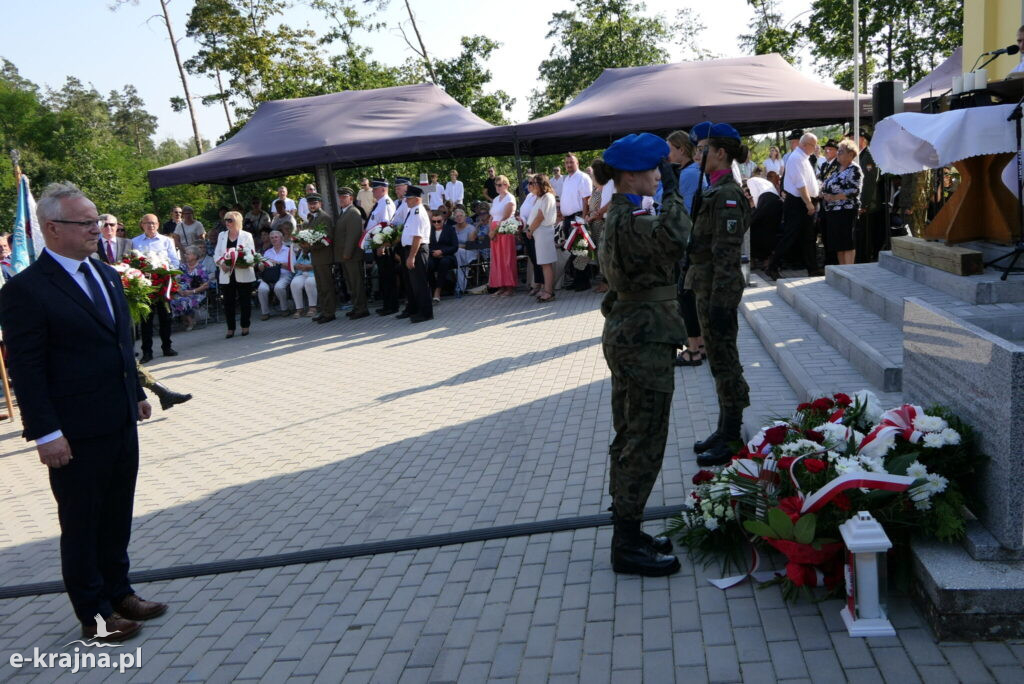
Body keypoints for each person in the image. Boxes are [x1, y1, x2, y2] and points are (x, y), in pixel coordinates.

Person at [0, 181, 166, 643]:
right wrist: (46, 432)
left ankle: (120, 592)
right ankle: (93, 614)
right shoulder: (26, 290)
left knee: (116, 513)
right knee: (82, 522)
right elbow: (27, 370)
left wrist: (135, 392)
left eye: (97, 220)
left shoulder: (107, 274)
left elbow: (118, 345)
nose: (98, 228)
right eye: (86, 222)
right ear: (52, 229)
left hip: (117, 420)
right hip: (73, 431)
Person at [599, 133, 689, 577]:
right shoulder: (632, 218)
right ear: (631, 175)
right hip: (642, 337)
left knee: (631, 433)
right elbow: (675, 239)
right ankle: (626, 543)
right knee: (644, 439)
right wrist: (674, 193)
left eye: (662, 169)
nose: (659, 174)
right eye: (655, 169)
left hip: (635, 333)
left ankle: (628, 531)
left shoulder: (625, 213)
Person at [686, 124, 752, 467]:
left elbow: (727, 255)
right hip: (706, 286)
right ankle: (723, 427)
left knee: (726, 363)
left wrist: (722, 303)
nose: (699, 155)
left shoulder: (727, 194)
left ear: (720, 153)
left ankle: (732, 435)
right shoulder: (713, 190)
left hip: (717, 291)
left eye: (702, 149)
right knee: (718, 362)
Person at [766, 132, 821, 279]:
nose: (815, 148)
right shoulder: (796, 158)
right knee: (790, 236)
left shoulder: (802, 157)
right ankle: (772, 266)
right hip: (799, 202)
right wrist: (809, 203)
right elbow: (800, 184)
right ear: (805, 145)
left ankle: (812, 268)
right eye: (813, 145)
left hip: (803, 201)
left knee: (808, 237)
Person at [132, 215, 178, 363]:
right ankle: (147, 351)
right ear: (142, 225)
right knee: (146, 320)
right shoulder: (134, 242)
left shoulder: (166, 241)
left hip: (163, 283)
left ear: (158, 225)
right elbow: (132, 262)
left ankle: (167, 346)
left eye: (153, 223)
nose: (150, 225)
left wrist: (166, 269)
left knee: (166, 317)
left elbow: (174, 261)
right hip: (144, 286)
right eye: (147, 223)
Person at [213, 210, 257, 338]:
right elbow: (217, 254)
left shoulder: (246, 235)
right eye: (226, 220)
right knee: (228, 302)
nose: (227, 222)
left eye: (230, 220)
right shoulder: (222, 235)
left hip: (243, 272)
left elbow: (251, 253)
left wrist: (238, 263)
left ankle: (245, 325)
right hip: (226, 273)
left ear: (237, 221)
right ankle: (230, 328)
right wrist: (222, 264)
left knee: (245, 301)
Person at [821, 139, 863, 266]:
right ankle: (842, 270)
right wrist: (823, 193)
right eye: (838, 151)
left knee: (847, 242)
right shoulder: (836, 169)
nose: (838, 154)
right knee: (838, 243)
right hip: (832, 211)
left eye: (841, 152)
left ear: (850, 154)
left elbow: (854, 190)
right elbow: (826, 184)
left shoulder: (854, 169)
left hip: (846, 210)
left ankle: (849, 270)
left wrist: (834, 197)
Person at [558, 153, 594, 291]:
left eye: (571, 162)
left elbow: (587, 199)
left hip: (578, 217)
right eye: (566, 162)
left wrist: (583, 218)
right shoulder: (566, 179)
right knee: (574, 251)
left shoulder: (583, 177)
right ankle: (577, 279)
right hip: (568, 219)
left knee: (581, 251)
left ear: (577, 163)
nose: (568, 165)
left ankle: (584, 282)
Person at [397, 186, 433, 323]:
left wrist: (411, 256)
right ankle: (419, 311)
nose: (406, 201)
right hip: (413, 250)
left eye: (409, 198)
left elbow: (417, 237)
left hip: (417, 250)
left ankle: (425, 314)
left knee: (420, 284)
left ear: (417, 199)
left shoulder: (418, 212)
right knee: (415, 284)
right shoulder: (413, 211)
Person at [335, 186, 369, 319]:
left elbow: (353, 235)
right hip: (346, 255)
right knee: (350, 283)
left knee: (356, 282)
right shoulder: (345, 212)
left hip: (351, 255)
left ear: (351, 198)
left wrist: (347, 253)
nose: (342, 199)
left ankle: (361, 308)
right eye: (340, 197)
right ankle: (356, 306)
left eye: (344, 197)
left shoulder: (353, 212)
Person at [304, 193, 337, 323]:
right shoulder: (312, 218)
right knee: (320, 286)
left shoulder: (324, 217)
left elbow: (327, 238)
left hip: (324, 256)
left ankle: (330, 313)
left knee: (326, 286)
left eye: (314, 203)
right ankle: (324, 311)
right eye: (310, 204)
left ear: (320, 203)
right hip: (316, 257)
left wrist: (310, 245)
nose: (312, 206)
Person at [367, 179, 398, 315]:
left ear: (383, 189)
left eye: (375, 189)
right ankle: (387, 304)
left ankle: (391, 306)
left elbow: (386, 225)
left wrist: (382, 246)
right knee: (384, 276)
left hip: (383, 244)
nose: (373, 191)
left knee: (388, 276)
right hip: (377, 242)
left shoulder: (385, 203)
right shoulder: (379, 203)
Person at [526, 173, 558, 302]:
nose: (531, 185)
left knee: (546, 263)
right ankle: (546, 289)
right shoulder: (539, 198)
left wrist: (530, 229)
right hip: (539, 233)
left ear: (540, 184)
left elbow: (540, 216)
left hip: (544, 232)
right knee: (544, 263)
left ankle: (549, 292)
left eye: (533, 183)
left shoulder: (547, 197)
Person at [856, 128, 884, 263]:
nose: (851, 140)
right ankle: (861, 257)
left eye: (853, 137)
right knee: (861, 234)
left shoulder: (869, 155)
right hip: (861, 202)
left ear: (862, 140)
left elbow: (869, 181)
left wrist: (864, 203)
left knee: (866, 234)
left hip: (868, 203)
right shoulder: (860, 155)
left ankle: (865, 259)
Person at [487, 175, 518, 296]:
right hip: (494, 229)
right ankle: (501, 285)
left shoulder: (510, 198)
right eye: (496, 185)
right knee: (497, 259)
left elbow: (505, 217)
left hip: (505, 229)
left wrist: (494, 231)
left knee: (506, 258)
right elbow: (492, 216)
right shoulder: (495, 199)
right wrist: (491, 231)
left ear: (506, 185)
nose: (498, 187)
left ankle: (510, 287)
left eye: (500, 184)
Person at [747, 175, 784, 269]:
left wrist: (754, 208)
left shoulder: (750, 181)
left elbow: (755, 196)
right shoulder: (765, 183)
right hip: (777, 202)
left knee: (753, 226)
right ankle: (767, 260)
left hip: (766, 201)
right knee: (770, 231)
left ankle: (754, 258)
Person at [257, 229, 294, 320]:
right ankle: (265, 312)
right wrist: (260, 265)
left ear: (281, 238)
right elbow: (261, 268)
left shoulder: (288, 250)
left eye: (276, 237)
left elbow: (292, 267)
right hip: (269, 276)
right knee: (262, 288)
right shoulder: (268, 252)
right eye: (272, 238)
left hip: (284, 274)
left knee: (279, 287)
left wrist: (277, 263)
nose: (274, 239)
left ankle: (284, 309)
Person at [428, 209, 459, 302]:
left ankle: (438, 290)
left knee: (444, 262)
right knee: (427, 264)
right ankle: (432, 288)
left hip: (447, 256)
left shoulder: (450, 229)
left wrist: (442, 251)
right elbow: (425, 245)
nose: (436, 223)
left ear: (443, 220)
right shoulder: (429, 230)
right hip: (433, 256)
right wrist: (433, 252)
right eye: (434, 221)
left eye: (439, 221)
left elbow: (455, 246)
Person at [452, 207, 477, 295]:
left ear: (465, 217)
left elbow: (469, 245)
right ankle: (459, 285)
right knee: (455, 254)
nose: (459, 218)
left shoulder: (471, 228)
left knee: (457, 252)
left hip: (470, 253)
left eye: (461, 216)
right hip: (455, 253)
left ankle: (460, 285)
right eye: (457, 216)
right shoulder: (452, 228)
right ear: (454, 218)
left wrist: (455, 246)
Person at [289, 245, 317, 318]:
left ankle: (312, 307)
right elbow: (296, 264)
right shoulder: (302, 249)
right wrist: (298, 266)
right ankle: (299, 309)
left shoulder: (315, 247)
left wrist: (309, 267)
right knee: (294, 283)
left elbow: (319, 263)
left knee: (309, 282)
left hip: (314, 273)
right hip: (302, 273)